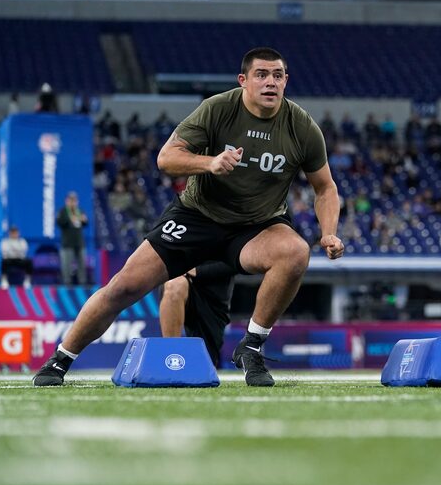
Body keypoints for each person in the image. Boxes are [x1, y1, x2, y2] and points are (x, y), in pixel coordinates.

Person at [33, 47, 344, 387]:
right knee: (123, 287)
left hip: (255, 229)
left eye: (278, 75)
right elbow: (166, 158)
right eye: (261, 75)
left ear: (286, 81)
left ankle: (251, 346)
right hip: (197, 217)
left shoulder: (302, 127)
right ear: (243, 81)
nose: (271, 82)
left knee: (296, 252)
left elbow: (325, 188)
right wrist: (208, 163)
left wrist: (328, 231)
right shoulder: (218, 109)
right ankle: (60, 359)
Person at [159, 262, 236, 368]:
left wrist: (197, 271)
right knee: (174, 284)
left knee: (203, 366)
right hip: (182, 282)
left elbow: (240, 261)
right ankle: (171, 357)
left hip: (213, 299)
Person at [56, 191, 89, 285]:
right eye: (71, 200)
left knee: (82, 264)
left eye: (74, 200)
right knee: (66, 265)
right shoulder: (63, 211)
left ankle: (83, 283)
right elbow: (59, 223)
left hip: (79, 242)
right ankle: (67, 283)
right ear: (67, 201)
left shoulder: (80, 210)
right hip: (67, 243)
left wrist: (84, 220)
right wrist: (69, 219)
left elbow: (85, 223)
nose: (73, 202)